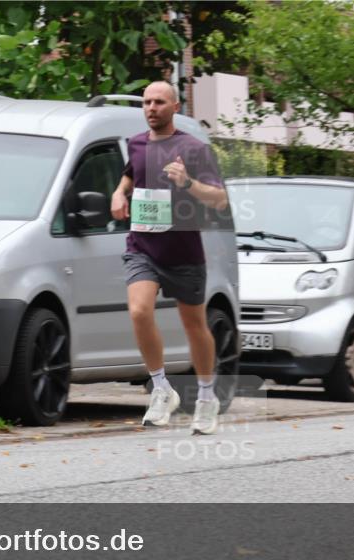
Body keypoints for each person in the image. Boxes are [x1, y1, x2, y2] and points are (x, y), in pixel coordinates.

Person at [110, 80, 229, 435]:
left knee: (195, 325)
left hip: (183, 251)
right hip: (143, 247)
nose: (151, 108)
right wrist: (119, 193)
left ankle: (206, 396)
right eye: (147, 102)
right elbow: (131, 173)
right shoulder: (136, 143)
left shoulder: (193, 149)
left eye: (159, 102)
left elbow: (219, 199)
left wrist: (188, 182)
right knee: (139, 310)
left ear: (175, 107)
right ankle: (161, 388)